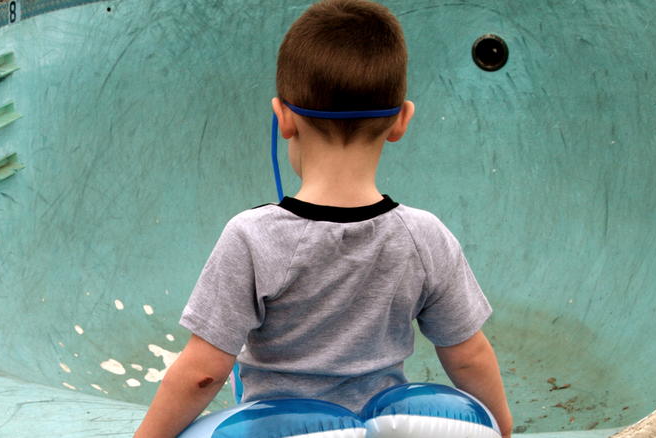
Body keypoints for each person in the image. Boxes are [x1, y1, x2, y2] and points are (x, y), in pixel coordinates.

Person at [131, 1, 513, 437]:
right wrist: (501, 427)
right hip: (386, 423)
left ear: (284, 117)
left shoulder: (251, 237)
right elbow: (468, 355)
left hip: (285, 428)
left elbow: (203, 372)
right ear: (400, 120)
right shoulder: (426, 236)